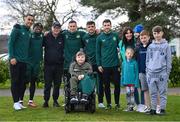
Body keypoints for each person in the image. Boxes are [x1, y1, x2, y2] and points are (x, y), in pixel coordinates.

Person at [8, 14, 34, 110]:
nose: (30, 21)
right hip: (15, 60)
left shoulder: (29, 32)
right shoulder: (17, 29)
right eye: (28, 19)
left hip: (24, 62)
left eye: (32, 20)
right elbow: (10, 43)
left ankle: (18, 102)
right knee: (15, 81)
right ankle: (15, 103)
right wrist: (11, 57)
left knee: (21, 82)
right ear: (24, 19)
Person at [146, 25, 172, 115]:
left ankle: (162, 110)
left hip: (162, 73)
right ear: (153, 34)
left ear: (162, 33)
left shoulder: (166, 46)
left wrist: (167, 74)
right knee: (152, 93)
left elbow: (169, 61)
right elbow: (148, 60)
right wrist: (147, 72)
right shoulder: (150, 46)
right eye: (155, 33)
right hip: (151, 74)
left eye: (158, 33)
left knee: (162, 92)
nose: (157, 35)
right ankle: (153, 109)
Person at [96, 19, 120, 110]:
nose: (107, 27)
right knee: (106, 86)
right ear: (103, 26)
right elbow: (97, 52)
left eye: (108, 25)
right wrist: (99, 65)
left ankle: (117, 103)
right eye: (105, 25)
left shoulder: (115, 35)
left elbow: (120, 48)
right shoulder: (99, 37)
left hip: (115, 65)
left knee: (117, 85)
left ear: (111, 26)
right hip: (104, 66)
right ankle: (109, 103)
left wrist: (120, 64)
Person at [119, 27, 144, 111]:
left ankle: (141, 104)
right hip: (126, 65)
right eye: (127, 33)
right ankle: (132, 106)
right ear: (124, 34)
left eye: (130, 32)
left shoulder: (136, 41)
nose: (129, 34)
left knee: (139, 86)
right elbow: (121, 55)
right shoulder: (121, 43)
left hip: (136, 64)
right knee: (129, 92)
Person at [20, 23, 44, 107]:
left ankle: (30, 101)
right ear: (33, 28)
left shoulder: (42, 36)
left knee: (33, 82)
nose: (38, 28)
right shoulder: (29, 35)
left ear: (41, 29)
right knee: (24, 82)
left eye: (40, 27)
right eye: (36, 27)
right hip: (28, 62)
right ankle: (20, 101)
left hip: (36, 63)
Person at [82, 21, 105, 108]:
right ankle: (87, 100)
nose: (91, 28)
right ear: (86, 28)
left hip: (99, 63)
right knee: (87, 82)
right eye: (89, 27)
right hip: (88, 64)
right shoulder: (84, 37)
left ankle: (100, 102)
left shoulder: (99, 36)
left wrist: (101, 31)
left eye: (92, 26)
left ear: (95, 27)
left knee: (99, 83)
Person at [42, 21, 64, 108]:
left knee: (57, 84)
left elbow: (70, 32)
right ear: (52, 28)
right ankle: (46, 101)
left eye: (58, 28)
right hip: (48, 65)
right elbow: (38, 42)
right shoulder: (46, 36)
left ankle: (55, 101)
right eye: (55, 27)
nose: (56, 29)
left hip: (59, 65)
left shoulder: (62, 37)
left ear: (60, 29)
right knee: (47, 84)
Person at [63, 20, 86, 88]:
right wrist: (47, 33)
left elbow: (90, 34)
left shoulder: (81, 34)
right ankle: (69, 98)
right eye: (71, 26)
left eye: (74, 26)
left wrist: (97, 31)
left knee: (78, 81)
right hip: (67, 63)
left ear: (76, 27)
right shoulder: (64, 34)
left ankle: (78, 97)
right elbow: (55, 33)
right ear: (68, 27)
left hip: (78, 63)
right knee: (68, 83)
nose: (72, 28)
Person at [137, 30, 151, 112]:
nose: (143, 39)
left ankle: (156, 107)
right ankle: (147, 106)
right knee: (145, 90)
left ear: (148, 37)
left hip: (151, 72)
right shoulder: (139, 48)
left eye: (145, 37)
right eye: (141, 38)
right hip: (142, 72)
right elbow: (138, 60)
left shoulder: (152, 46)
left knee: (153, 90)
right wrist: (139, 72)